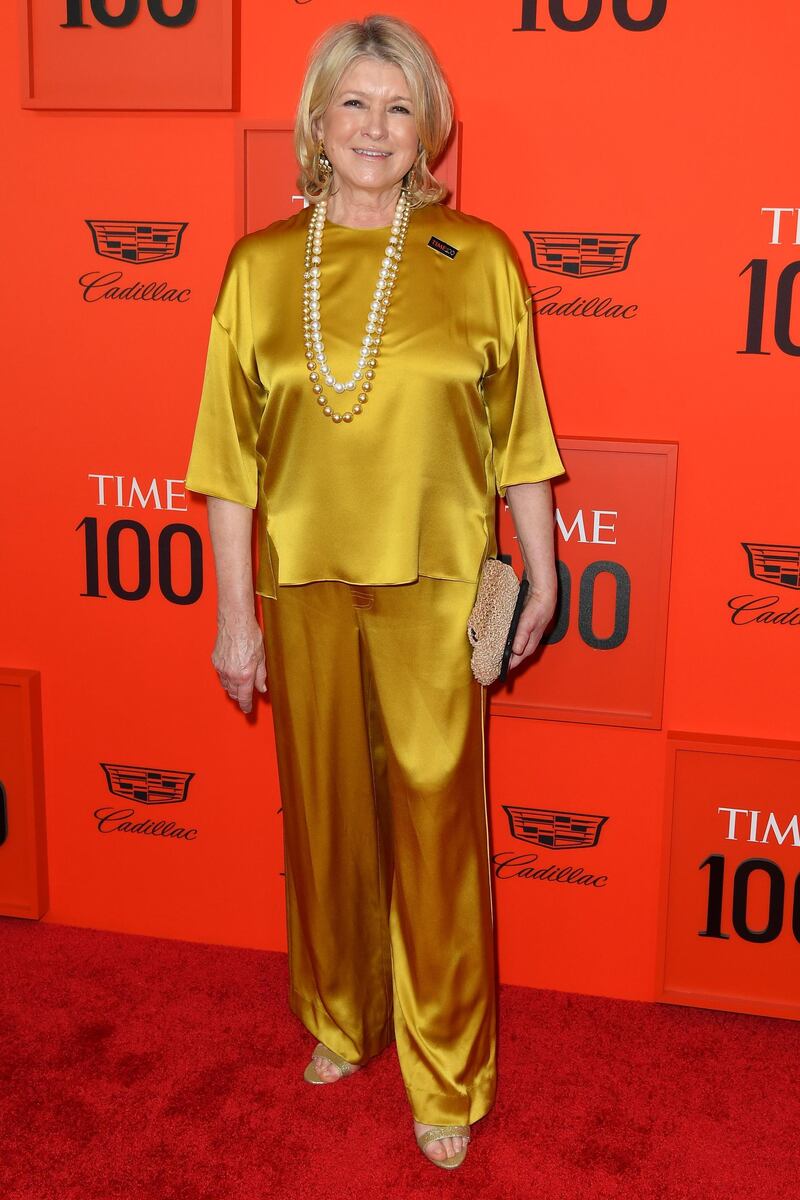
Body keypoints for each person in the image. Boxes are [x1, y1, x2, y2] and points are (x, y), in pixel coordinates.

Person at [184, 13, 565, 1171]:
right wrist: (233, 611)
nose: (373, 127)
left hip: (441, 582)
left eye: (398, 107)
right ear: (314, 120)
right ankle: (340, 1021)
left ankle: (444, 1069)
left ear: (427, 131)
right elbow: (225, 462)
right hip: (299, 585)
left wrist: (541, 568)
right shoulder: (257, 267)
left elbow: (520, 437)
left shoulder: (479, 257)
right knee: (327, 818)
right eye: (353, 103)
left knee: (439, 827)